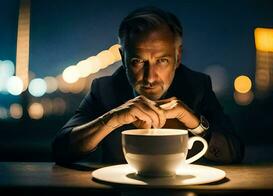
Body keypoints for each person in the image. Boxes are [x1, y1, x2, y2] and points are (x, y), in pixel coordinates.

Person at [52, 6, 244, 164]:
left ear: (178, 57)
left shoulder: (198, 86)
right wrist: (113, 118)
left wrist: (193, 121)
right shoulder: (104, 89)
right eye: (138, 61)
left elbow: (235, 153)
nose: (149, 77)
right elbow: (60, 150)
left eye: (162, 61)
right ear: (123, 58)